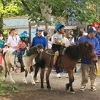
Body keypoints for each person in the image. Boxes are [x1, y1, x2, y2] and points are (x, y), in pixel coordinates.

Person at [77, 26, 99, 91]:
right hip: (85, 59)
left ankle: (93, 85)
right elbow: (78, 46)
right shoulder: (82, 39)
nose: (95, 34)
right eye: (94, 32)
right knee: (85, 74)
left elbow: (98, 48)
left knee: (93, 73)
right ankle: (83, 85)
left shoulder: (96, 39)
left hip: (94, 59)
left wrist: (94, 53)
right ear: (90, 32)